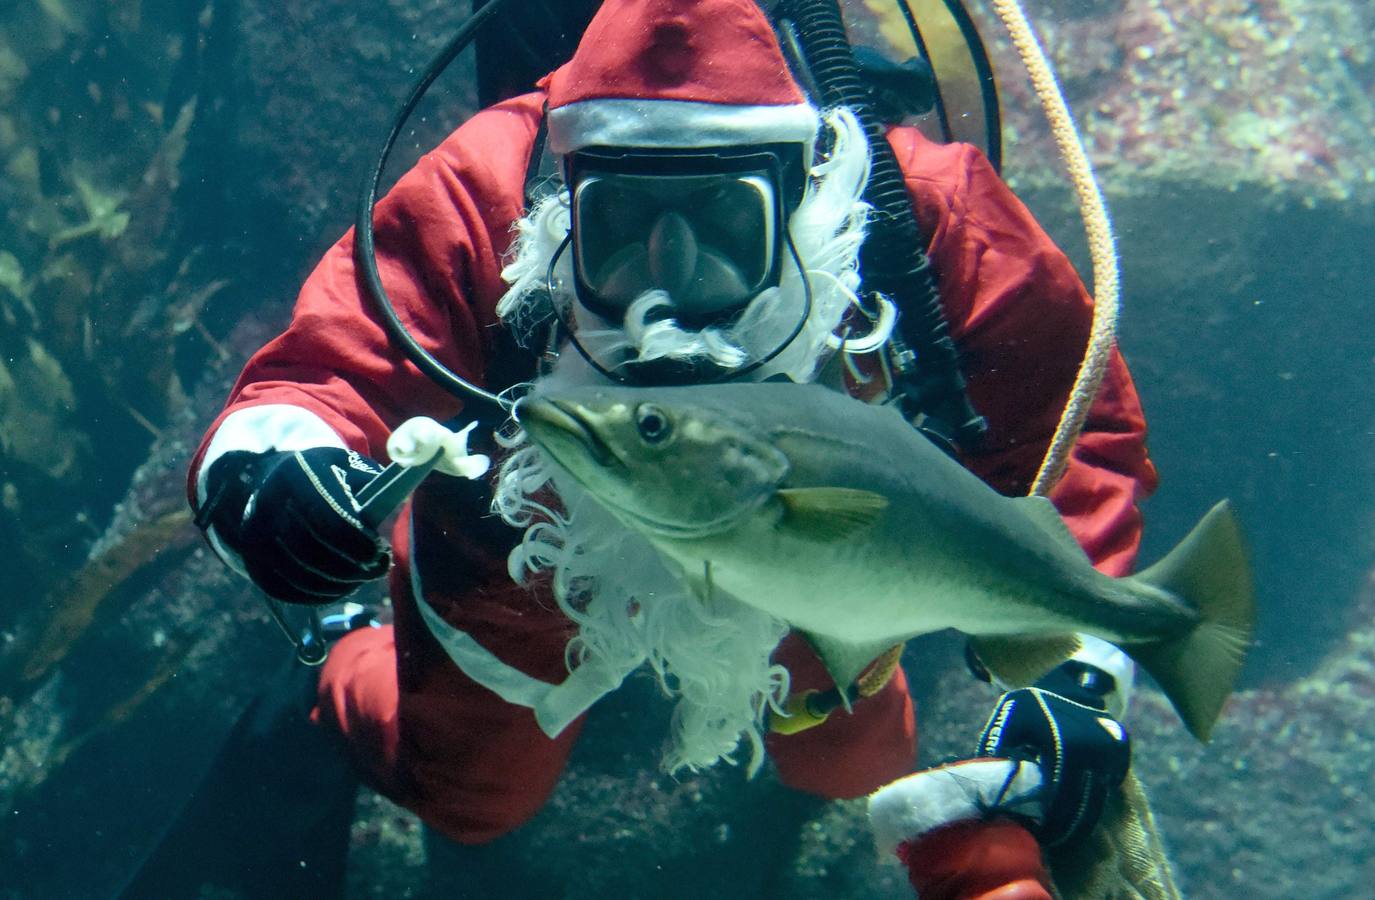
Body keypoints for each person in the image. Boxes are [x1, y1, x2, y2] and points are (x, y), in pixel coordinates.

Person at [189, 0, 1157, 896]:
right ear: (569, 199)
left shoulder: (910, 205)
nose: (668, 291)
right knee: (469, 795)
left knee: (852, 761)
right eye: (624, 229)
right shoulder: (493, 181)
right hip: (525, 529)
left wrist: (1079, 665)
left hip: (812, 552)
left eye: (723, 226)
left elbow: (1074, 422)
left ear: (796, 189)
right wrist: (278, 476)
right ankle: (335, 658)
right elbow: (327, 366)